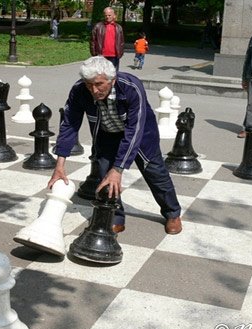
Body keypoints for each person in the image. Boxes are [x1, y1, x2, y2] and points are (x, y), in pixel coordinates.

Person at [48, 56, 183, 235]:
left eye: (99, 84)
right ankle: (116, 216)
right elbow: (69, 124)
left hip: (140, 134)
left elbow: (134, 130)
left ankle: (172, 213)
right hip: (107, 133)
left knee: (155, 171)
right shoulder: (79, 90)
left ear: (113, 79)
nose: (94, 90)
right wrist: (60, 164)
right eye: (89, 84)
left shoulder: (131, 87)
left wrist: (118, 169)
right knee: (106, 174)